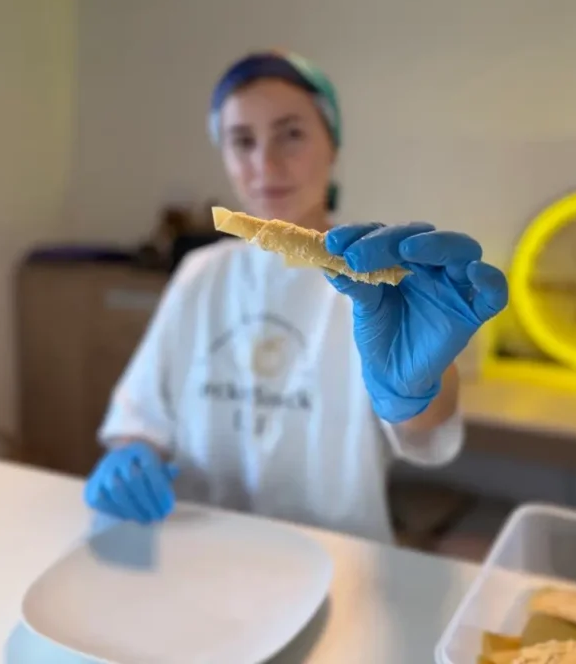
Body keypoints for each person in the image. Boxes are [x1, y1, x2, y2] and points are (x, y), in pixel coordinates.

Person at [84, 50, 508, 543]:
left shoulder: (373, 278)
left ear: (332, 145)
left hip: (338, 559)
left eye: (291, 134)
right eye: (242, 141)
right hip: (202, 550)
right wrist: (130, 457)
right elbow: (141, 417)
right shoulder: (200, 275)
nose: (265, 164)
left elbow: (426, 434)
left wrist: (419, 390)